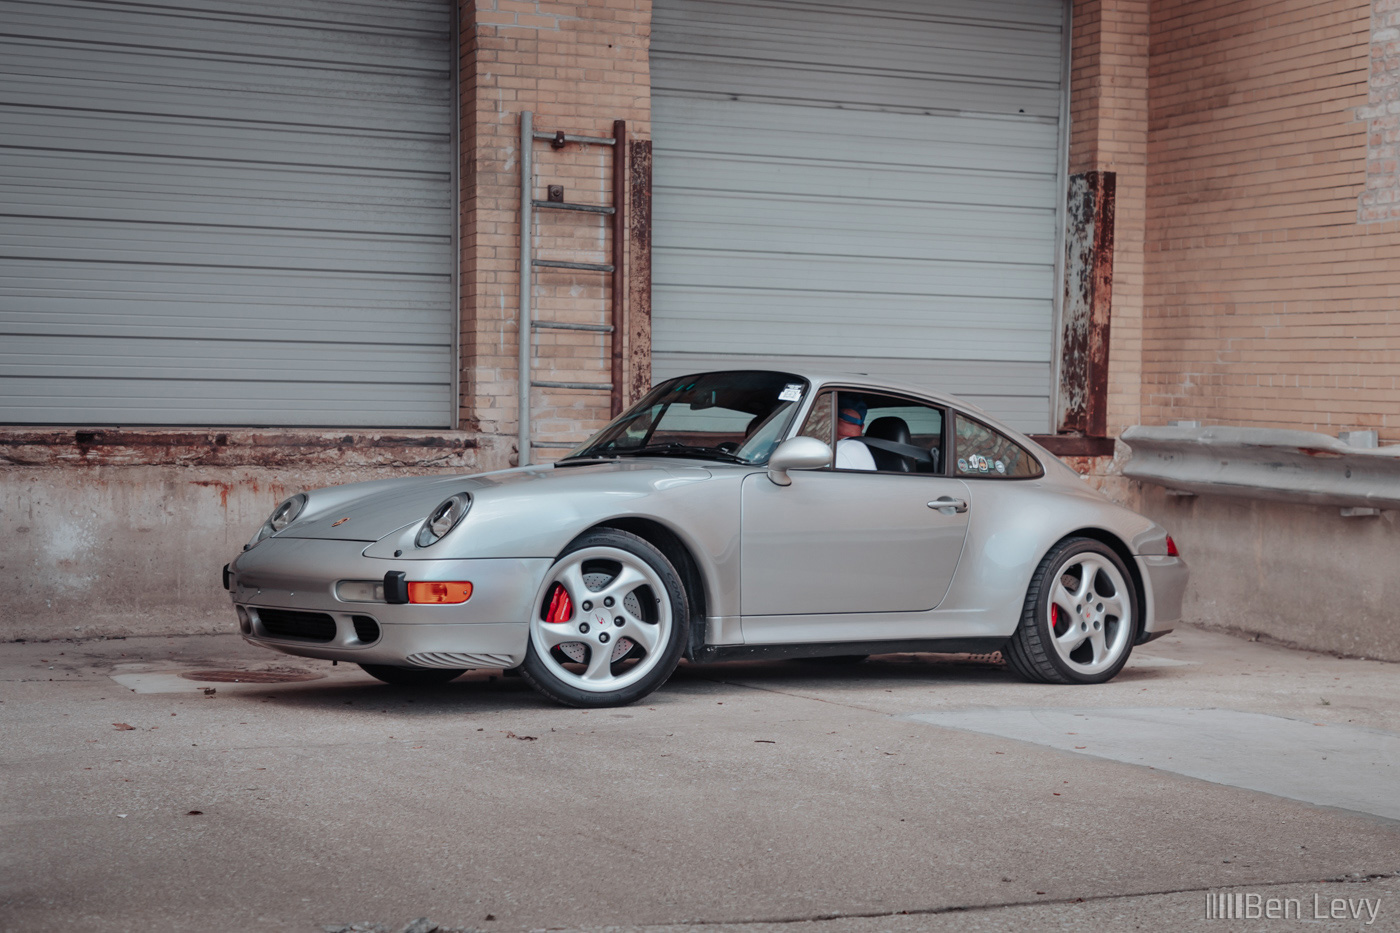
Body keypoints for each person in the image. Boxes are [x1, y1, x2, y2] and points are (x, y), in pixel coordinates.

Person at [834, 399, 876, 470]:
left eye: (852, 422)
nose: (845, 428)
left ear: (862, 427)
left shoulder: (842, 450)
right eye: (840, 420)